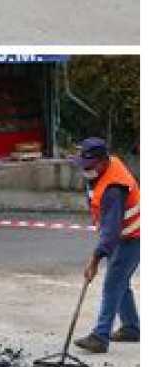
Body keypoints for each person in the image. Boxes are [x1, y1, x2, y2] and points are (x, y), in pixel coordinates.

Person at [70, 138, 140, 353]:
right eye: (83, 165)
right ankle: (131, 328)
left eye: (89, 166)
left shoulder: (114, 189)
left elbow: (111, 231)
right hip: (123, 235)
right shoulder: (102, 171)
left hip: (134, 237)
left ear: (103, 161)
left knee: (112, 283)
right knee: (120, 282)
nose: (85, 170)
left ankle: (100, 337)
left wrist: (95, 259)